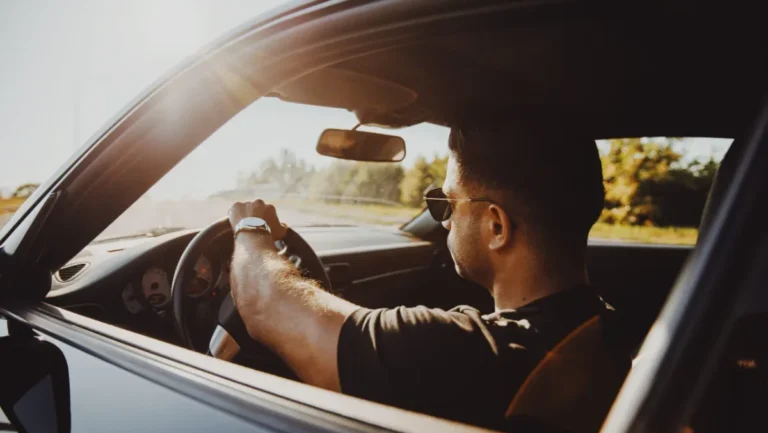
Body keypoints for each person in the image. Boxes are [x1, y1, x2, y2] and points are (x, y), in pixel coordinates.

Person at [227, 119, 626, 430]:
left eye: (447, 203)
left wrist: (251, 229)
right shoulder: (606, 329)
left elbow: (264, 304)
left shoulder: (461, 354)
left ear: (496, 227)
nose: (446, 221)